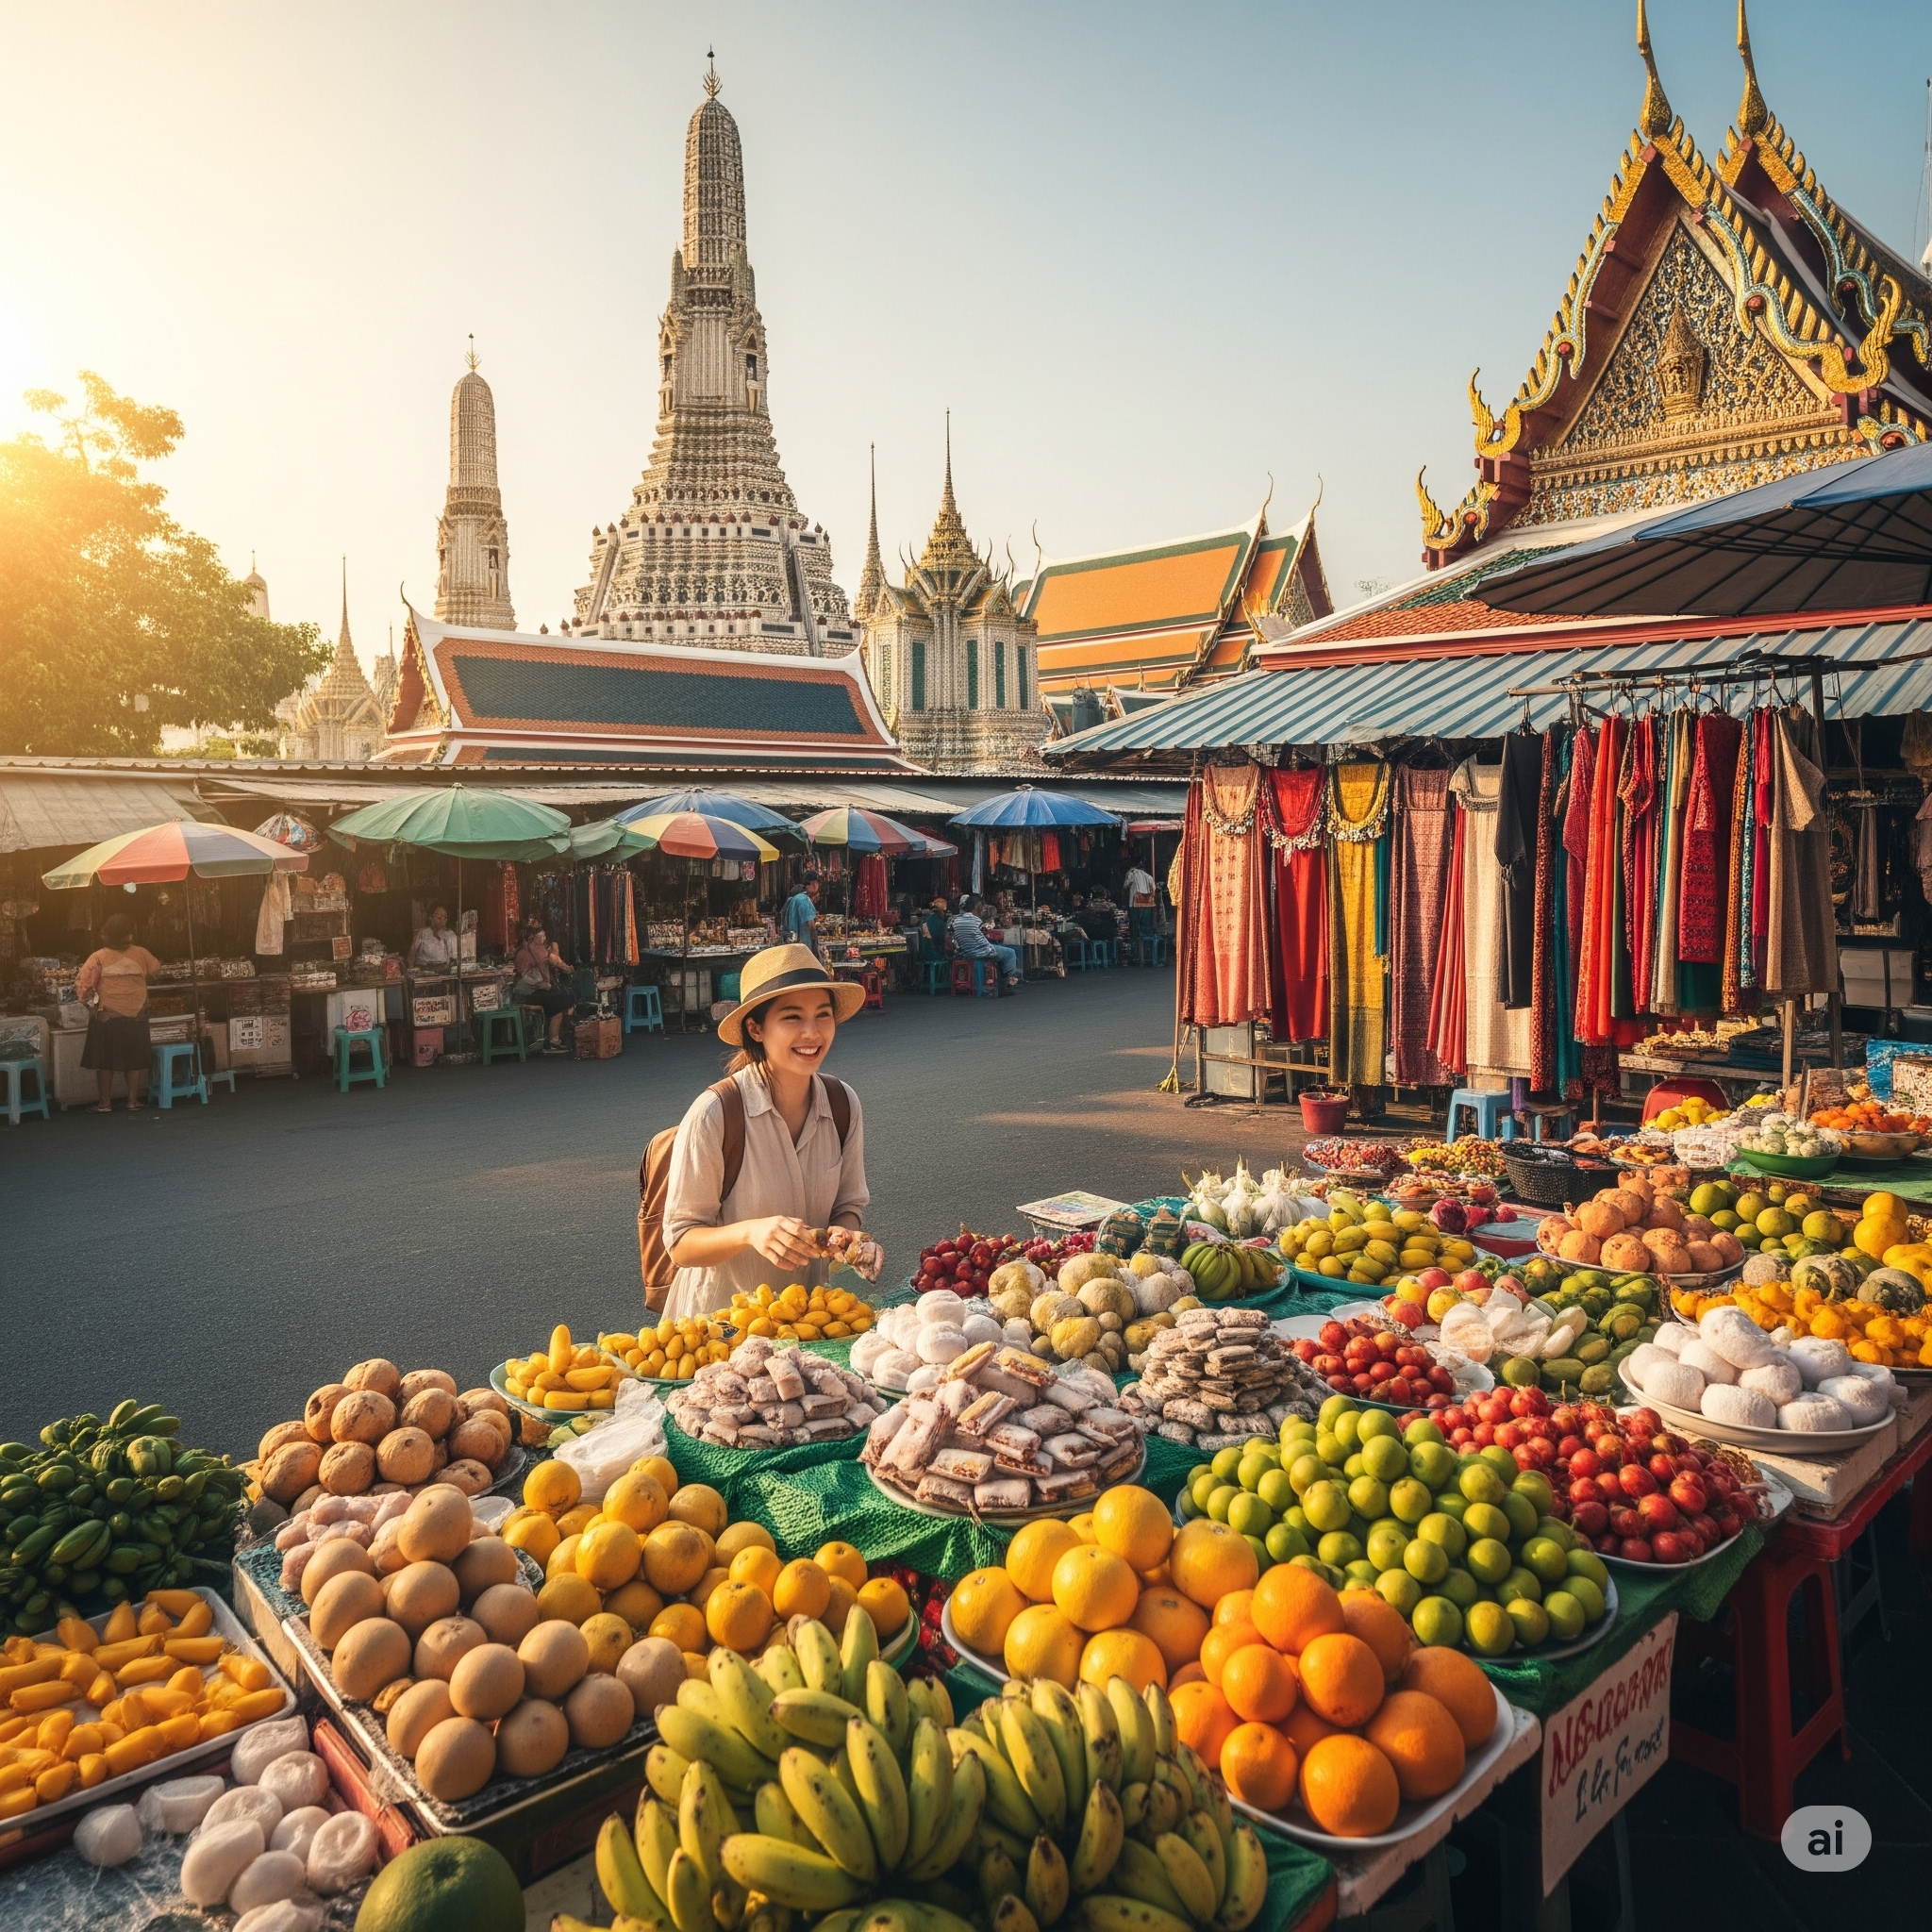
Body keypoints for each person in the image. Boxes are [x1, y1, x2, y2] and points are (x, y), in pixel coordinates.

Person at [661, 941, 872, 1317]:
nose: (812, 1033)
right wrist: (751, 1232)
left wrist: (847, 1237)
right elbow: (681, 1242)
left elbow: (848, 1206)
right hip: (717, 1327)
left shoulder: (843, 1104)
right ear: (756, 1028)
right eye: (792, 1018)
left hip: (806, 1319)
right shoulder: (716, 1113)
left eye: (823, 1015)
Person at [76, 913, 160, 1112]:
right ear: (128, 935)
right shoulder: (141, 953)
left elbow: (83, 984)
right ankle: (132, 1101)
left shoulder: (98, 956)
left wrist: (86, 1003)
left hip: (107, 1016)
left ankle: (105, 1103)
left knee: (105, 1061)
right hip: (136, 1014)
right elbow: (156, 971)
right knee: (134, 1060)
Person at [511, 918, 575, 1054]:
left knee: (561, 995)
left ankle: (555, 1037)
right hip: (528, 993)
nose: (544, 936)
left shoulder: (526, 950)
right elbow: (554, 961)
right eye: (541, 934)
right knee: (559, 999)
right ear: (534, 937)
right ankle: (553, 1041)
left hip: (529, 991)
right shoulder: (533, 951)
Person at [953, 893, 1020, 990]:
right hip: (982, 952)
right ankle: (1011, 977)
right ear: (976, 907)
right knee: (1010, 953)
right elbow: (982, 938)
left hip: (966, 952)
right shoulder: (976, 920)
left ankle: (1006, 979)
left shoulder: (957, 920)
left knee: (1001, 953)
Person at [780, 872, 824, 961]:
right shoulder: (804, 901)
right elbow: (811, 927)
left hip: (793, 948)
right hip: (803, 950)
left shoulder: (794, 899)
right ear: (814, 883)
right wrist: (816, 952)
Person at [410, 905, 459, 970]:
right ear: (431, 918)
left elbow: (456, 956)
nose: (442, 920)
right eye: (439, 917)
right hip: (424, 970)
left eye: (445, 917)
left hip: (444, 971)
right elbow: (411, 955)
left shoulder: (450, 934)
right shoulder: (423, 932)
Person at [1124, 860, 1158, 944]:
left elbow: (1125, 885)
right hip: (1147, 904)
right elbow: (1153, 889)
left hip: (1135, 904)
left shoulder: (1131, 873)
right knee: (1146, 927)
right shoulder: (1149, 876)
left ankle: (1135, 951)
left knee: (1134, 927)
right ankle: (1147, 950)